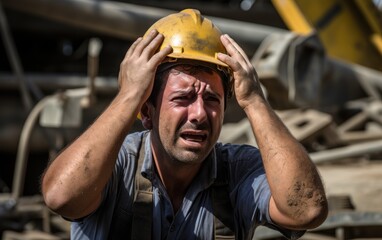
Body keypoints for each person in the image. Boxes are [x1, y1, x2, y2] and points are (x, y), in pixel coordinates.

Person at [41, 9, 328, 240]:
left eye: (213, 99)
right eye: (184, 98)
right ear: (147, 111)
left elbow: (306, 210)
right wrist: (128, 95)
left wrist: (254, 100)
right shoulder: (115, 166)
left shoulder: (238, 172)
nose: (200, 114)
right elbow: (62, 196)